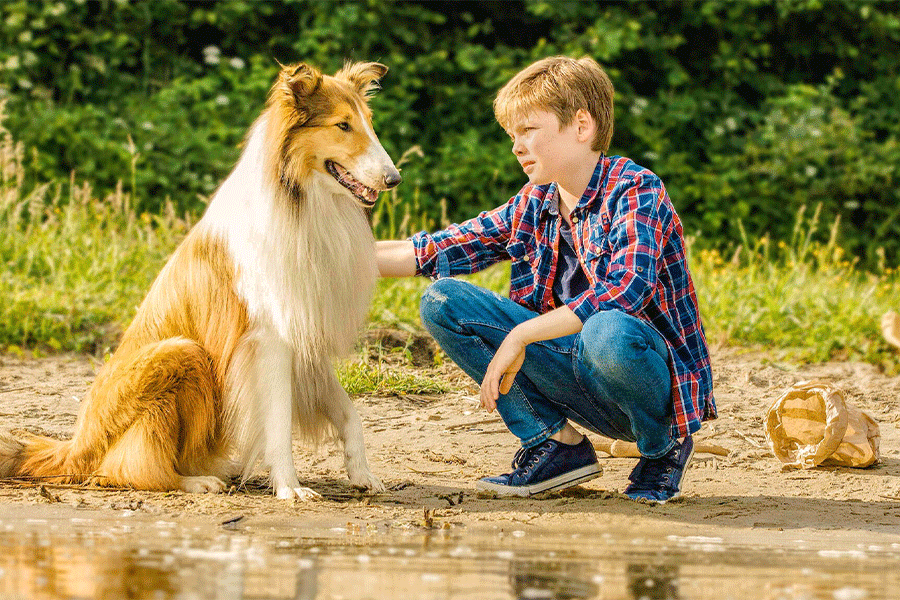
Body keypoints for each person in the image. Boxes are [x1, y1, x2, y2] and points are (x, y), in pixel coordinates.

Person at [376, 56, 715, 503]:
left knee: (606, 329)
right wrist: (327, 253)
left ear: (582, 127)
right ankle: (556, 445)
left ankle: (662, 448)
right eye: (512, 136)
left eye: (529, 130)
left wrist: (522, 334)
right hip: (576, 379)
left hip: (645, 385)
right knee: (443, 300)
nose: (517, 147)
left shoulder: (636, 188)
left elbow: (625, 290)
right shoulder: (534, 201)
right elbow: (438, 248)